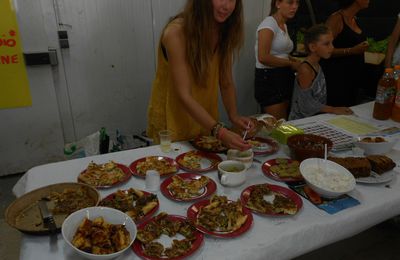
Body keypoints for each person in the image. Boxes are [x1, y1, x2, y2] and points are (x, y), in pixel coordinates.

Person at [146, 0, 253, 150]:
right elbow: (184, 95)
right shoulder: (175, 32)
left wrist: (233, 115)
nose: (226, 6)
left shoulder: (224, 29)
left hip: (204, 122)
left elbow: (226, 81)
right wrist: (220, 132)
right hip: (172, 122)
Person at [289, 24, 354, 120]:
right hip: (300, 123)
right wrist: (333, 109)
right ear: (312, 47)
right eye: (326, 44)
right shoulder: (305, 69)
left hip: (315, 118)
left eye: (332, 43)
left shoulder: (317, 65)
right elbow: (305, 104)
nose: (332, 47)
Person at [254, 0, 301, 120]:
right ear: (278, 4)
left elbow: (281, 52)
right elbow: (263, 57)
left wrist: (293, 60)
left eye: (297, 3)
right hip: (269, 77)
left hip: (282, 76)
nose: (294, 7)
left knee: (283, 121)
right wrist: (290, 63)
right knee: (277, 125)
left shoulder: (283, 24)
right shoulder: (269, 24)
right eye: (290, 3)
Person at [321, 0, 369, 107]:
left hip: (352, 79)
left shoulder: (355, 19)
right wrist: (351, 50)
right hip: (337, 79)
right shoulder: (336, 19)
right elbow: (323, 49)